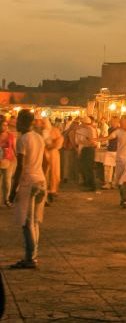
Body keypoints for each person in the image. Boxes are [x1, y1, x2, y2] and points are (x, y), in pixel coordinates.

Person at [8, 109, 46, 269]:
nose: (15, 123)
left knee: (26, 222)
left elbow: (20, 167)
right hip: (40, 180)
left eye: (18, 121)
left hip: (28, 182)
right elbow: (47, 162)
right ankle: (33, 255)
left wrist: (12, 190)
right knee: (35, 221)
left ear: (23, 122)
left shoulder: (22, 139)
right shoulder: (39, 137)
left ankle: (30, 258)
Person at [42, 118, 63, 204]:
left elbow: (60, 140)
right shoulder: (39, 131)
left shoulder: (55, 130)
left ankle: (52, 191)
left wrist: (52, 146)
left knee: (54, 174)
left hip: (53, 154)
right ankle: (46, 193)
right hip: (43, 155)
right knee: (44, 174)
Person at [74, 116, 98, 191]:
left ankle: (92, 185)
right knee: (86, 167)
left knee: (88, 168)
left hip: (88, 149)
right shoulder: (89, 129)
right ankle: (89, 184)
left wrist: (84, 142)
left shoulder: (89, 130)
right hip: (86, 149)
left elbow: (92, 142)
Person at [1, 116, 18, 207]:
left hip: (8, 160)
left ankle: (6, 199)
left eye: (6, 125)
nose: (5, 127)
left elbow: (14, 148)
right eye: (3, 125)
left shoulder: (11, 136)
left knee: (7, 181)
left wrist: (17, 157)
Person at [101, 116, 120, 189]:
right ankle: (108, 183)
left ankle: (114, 183)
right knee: (107, 167)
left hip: (117, 150)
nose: (112, 123)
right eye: (111, 121)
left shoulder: (120, 130)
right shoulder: (110, 129)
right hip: (110, 150)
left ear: (117, 122)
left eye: (113, 121)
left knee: (116, 168)